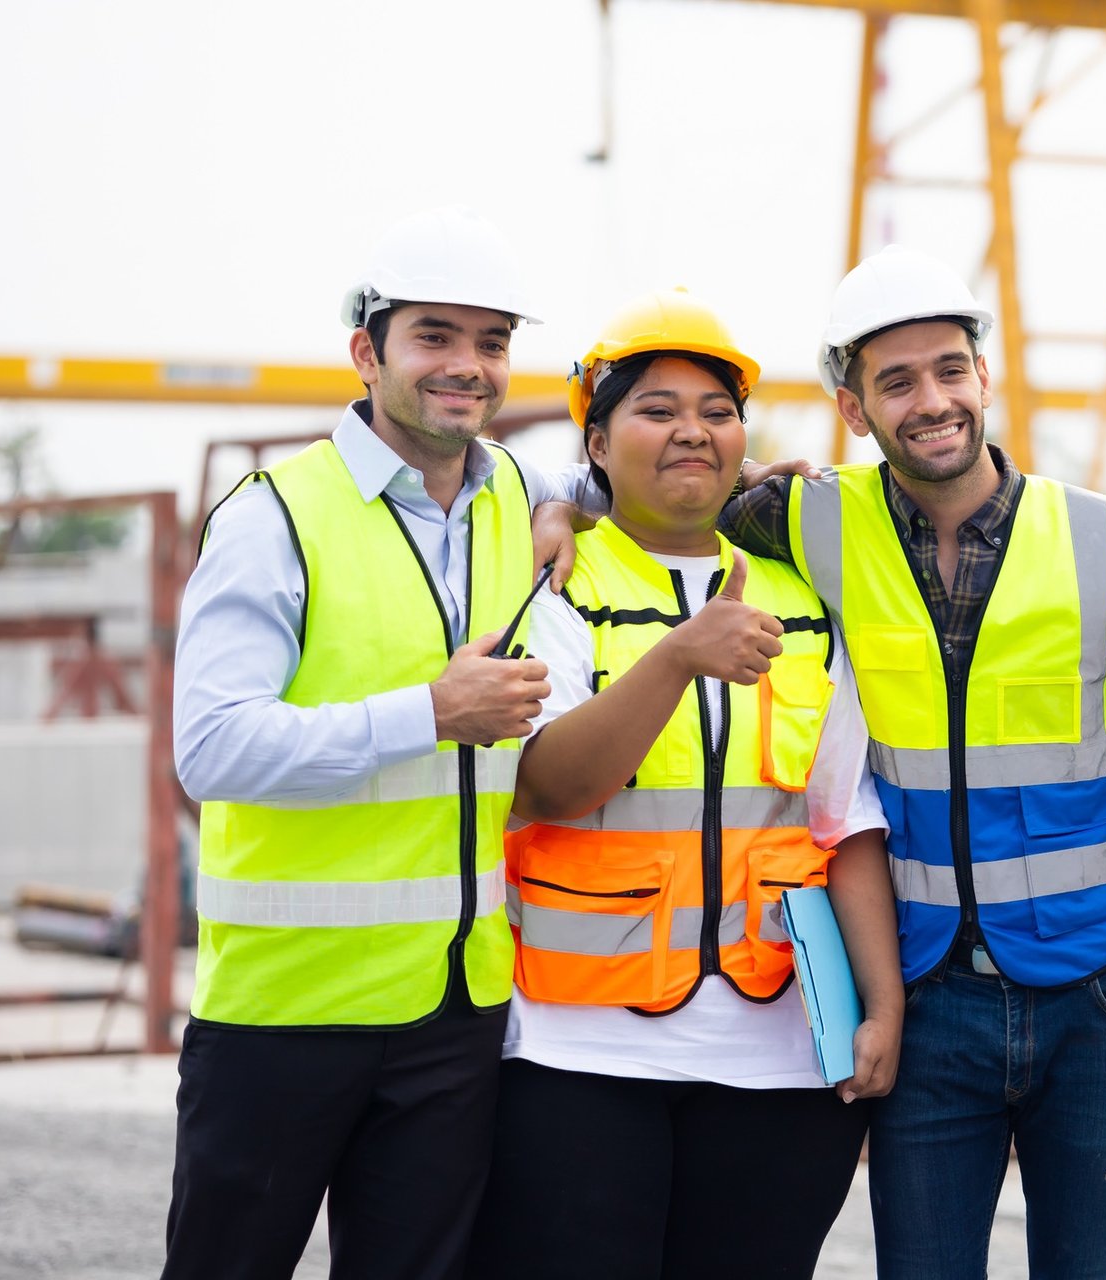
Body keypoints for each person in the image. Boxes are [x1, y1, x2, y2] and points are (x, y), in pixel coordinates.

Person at [717, 245, 1106, 1279]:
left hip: (1099, 992)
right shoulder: (806, 517)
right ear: (853, 406)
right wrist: (564, 507)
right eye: (898, 381)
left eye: (950, 369)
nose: (933, 400)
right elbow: (666, 481)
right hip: (927, 998)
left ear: (983, 376)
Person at [466, 289, 904, 1280]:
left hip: (780, 1053)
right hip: (581, 1054)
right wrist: (676, 658)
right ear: (598, 438)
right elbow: (544, 784)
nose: (691, 431)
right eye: (657, 409)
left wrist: (884, 1004)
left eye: (715, 409)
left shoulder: (803, 602)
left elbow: (847, 825)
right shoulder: (556, 586)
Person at [165, 206, 568, 1280]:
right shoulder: (274, 515)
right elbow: (209, 748)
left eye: (491, 342)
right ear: (367, 352)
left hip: (454, 1011)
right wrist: (429, 711)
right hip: (283, 1015)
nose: (468, 367)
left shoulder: (512, 498)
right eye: (435, 335)